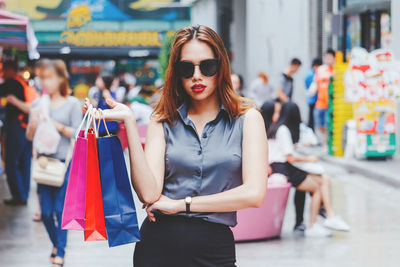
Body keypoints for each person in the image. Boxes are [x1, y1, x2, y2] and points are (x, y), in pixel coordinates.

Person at [84, 24, 268, 266]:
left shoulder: (248, 118)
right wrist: (129, 121)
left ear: (221, 67)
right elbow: (149, 193)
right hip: (157, 246)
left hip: (214, 249)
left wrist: (182, 204)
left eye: (207, 66)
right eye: (186, 68)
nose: (196, 75)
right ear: (176, 72)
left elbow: (254, 194)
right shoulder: (162, 119)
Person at [262, 101, 350, 237]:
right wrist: (309, 159)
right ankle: (314, 224)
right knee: (316, 188)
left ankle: (329, 216)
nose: (277, 115)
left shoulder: (277, 128)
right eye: (276, 112)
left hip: (284, 167)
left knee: (324, 179)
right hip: (284, 168)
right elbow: (289, 157)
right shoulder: (283, 130)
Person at [26, 59, 82, 267]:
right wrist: (33, 124)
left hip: (63, 165)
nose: (45, 82)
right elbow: (30, 136)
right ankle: (57, 245)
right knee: (46, 213)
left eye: (49, 77)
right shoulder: (38, 104)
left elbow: (76, 133)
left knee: (60, 211)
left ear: (61, 78)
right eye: (42, 78)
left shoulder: (72, 104)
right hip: (43, 164)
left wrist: (54, 123)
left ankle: (61, 252)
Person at [0, 59, 33, 206]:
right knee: (24, 162)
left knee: (11, 162)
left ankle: (18, 195)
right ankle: (23, 194)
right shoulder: (24, 83)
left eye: (3, 69)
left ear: (10, 70)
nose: (2, 73)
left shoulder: (11, 83)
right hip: (27, 126)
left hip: (17, 126)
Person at [310, 49, 336, 136]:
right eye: (326, 58)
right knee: (319, 124)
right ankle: (323, 141)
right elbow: (315, 83)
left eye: (330, 58)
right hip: (320, 102)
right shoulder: (320, 70)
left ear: (334, 59)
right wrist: (312, 90)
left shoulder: (336, 70)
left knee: (329, 124)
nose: (328, 60)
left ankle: (327, 142)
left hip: (332, 103)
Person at [304, 58, 322, 130]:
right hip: (313, 99)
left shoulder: (308, 73)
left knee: (311, 117)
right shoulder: (312, 74)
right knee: (313, 118)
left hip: (311, 99)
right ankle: (311, 131)